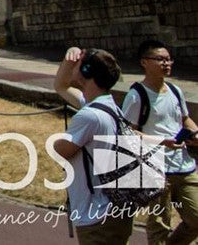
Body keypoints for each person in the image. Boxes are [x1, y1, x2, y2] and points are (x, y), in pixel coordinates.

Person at [52, 46, 135, 243]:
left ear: (87, 72)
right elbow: (61, 86)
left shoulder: (89, 116)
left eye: (78, 64)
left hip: (97, 216)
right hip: (115, 210)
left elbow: (63, 150)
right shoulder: (108, 107)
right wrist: (68, 57)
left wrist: (55, 141)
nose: (74, 66)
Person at [121, 38, 198, 245]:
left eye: (169, 59)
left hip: (184, 166)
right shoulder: (136, 96)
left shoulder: (175, 91)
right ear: (144, 62)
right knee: (159, 225)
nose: (167, 64)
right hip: (155, 168)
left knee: (196, 218)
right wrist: (162, 141)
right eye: (160, 59)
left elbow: (185, 119)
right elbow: (127, 133)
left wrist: (194, 132)